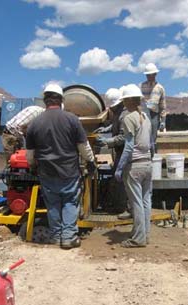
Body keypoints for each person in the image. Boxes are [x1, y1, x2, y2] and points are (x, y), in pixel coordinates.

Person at [26, 83, 96, 249]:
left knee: (53, 204)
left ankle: (56, 237)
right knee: (70, 202)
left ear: (45, 100)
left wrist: (32, 166)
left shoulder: (34, 124)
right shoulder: (72, 119)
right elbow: (83, 146)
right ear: (61, 100)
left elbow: (30, 154)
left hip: (47, 172)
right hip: (69, 171)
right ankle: (69, 237)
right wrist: (91, 162)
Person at [115, 84, 152, 248]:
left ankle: (138, 239)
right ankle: (145, 234)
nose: (123, 102)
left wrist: (119, 167)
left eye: (124, 99)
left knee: (136, 203)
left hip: (134, 166)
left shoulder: (129, 118)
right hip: (147, 164)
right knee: (145, 202)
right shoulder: (145, 117)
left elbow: (129, 147)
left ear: (129, 100)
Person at [96, 87, 132, 219]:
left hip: (125, 153)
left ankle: (126, 209)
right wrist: (106, 128)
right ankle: (119, 206)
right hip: (120, 152)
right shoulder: (119, 113)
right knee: (118, 180)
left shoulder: (125, 115)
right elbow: (115, 125)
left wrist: (107, 141)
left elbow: (123, 137)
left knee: (123, 181)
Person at [140, 63, 167, 154]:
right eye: (147, 75)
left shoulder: (160, 88)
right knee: (143, 136)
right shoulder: (142, 86)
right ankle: (145, 156)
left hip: (154, 115)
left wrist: (163, 120)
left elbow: (162, 105)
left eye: (150, 74)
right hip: (143, 114)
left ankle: (153, 156)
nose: (149, 76)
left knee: (153, 137)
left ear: (155, 74)